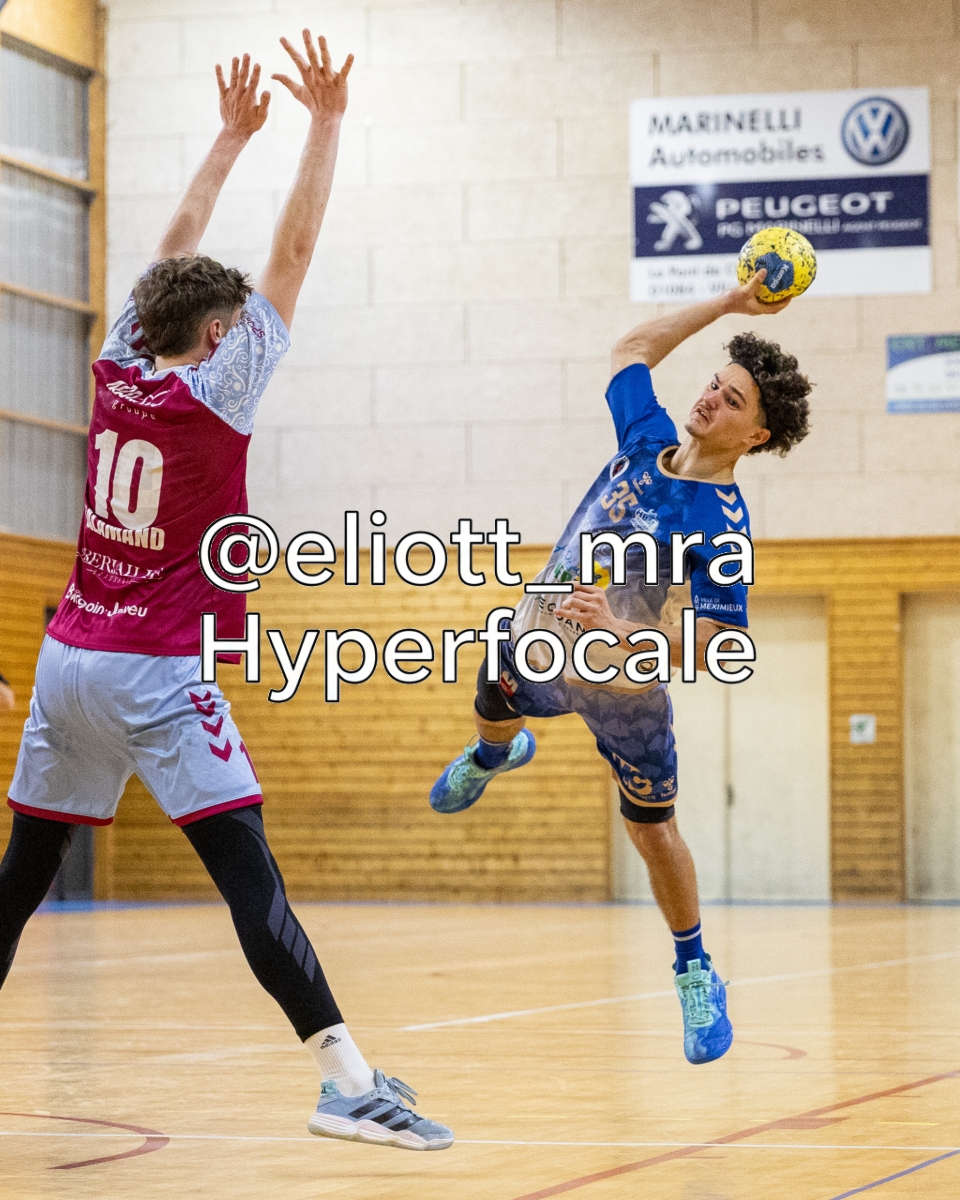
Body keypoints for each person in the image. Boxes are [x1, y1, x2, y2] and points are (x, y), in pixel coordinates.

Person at [0, 33, 453, 1152]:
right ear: (216, 334)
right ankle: (348, 1083)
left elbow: (169, 252)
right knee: (250, 873)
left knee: (23, 874)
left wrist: (229, 137)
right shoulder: (219, 388)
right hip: (154, 666)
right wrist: (325, 122)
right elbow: (292, 251)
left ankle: (350, 1077)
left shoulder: (118, 363)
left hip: (68, 657)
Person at [430, 273, 812, 1065]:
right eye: (714, 384)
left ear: (755, 437)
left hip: (625, 692)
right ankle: (494, 755)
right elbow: (632, 347)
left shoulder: (721, 525)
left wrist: (620, 628)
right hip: (543, 642)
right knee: (494, 689)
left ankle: (695, 970)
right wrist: (727, 304)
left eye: (732, 401)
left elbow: (714, 643)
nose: (709, 399)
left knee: (653, 831)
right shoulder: (644, 440)